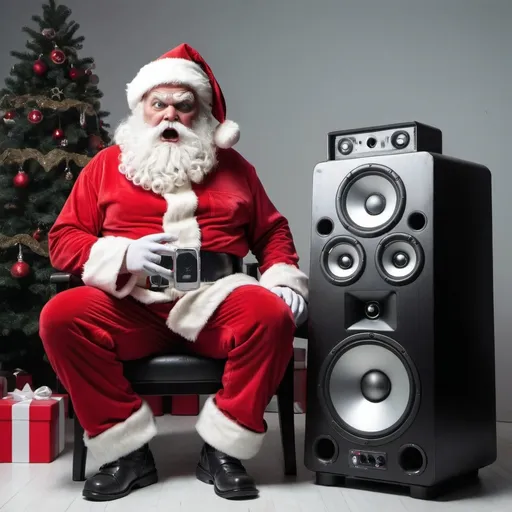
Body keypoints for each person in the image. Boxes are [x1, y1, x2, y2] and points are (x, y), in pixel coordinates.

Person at [39, 43, 308, 502]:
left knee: (271, 316)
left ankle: (224, 450)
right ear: (140, 108)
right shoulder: (106, 166)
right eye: (158, 104)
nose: (169, 116)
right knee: (61, 317)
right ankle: (127, 453)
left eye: (183, 107)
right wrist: (119, 256)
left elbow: (272, 231)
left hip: (214, 298)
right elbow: (64, 240)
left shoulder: (234, 167)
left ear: (200, 113)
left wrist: (282, 276)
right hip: (131, 302)